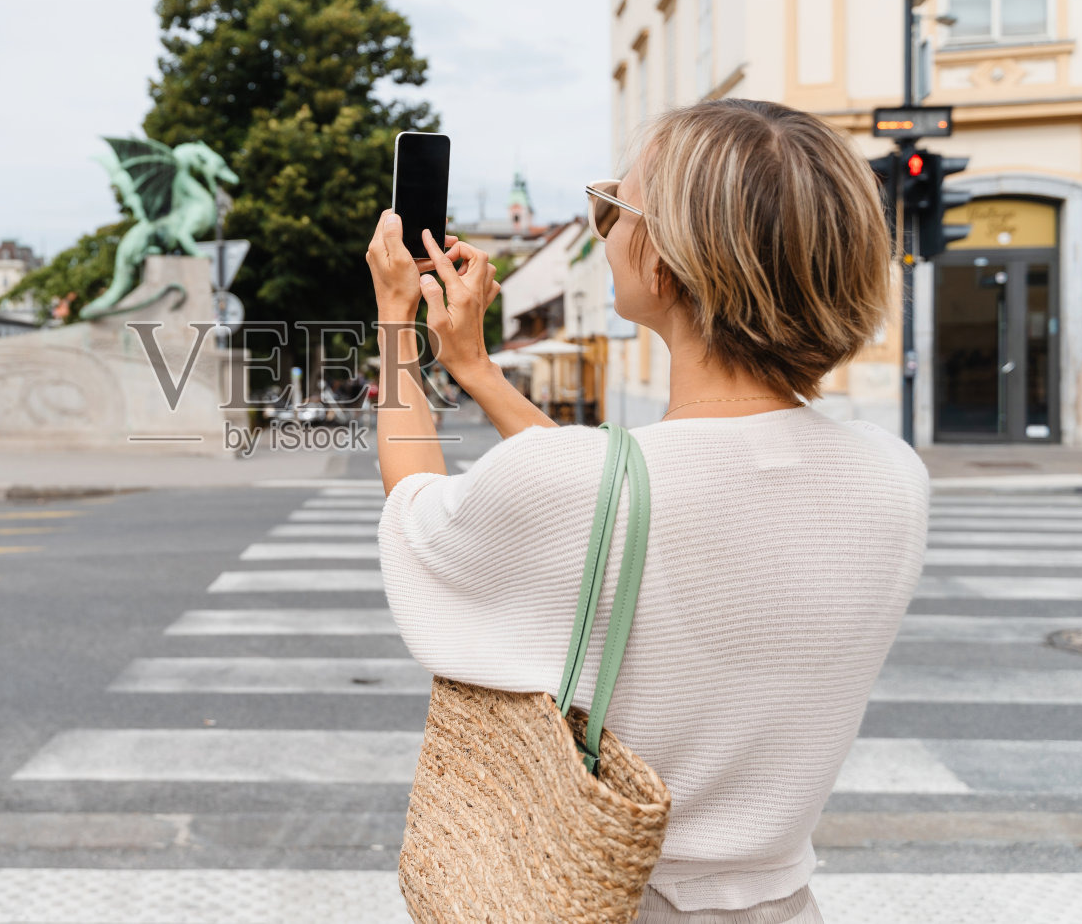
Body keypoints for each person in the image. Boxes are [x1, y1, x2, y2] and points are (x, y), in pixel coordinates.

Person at [365, 99, 928, 924]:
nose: (599, 230)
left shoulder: (579, 485)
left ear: (663, 261)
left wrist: (392, 320)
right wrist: (479, 371)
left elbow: (418, 504)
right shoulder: (894, 476)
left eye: (611, 208)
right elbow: (614, 496)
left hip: (617, 901)